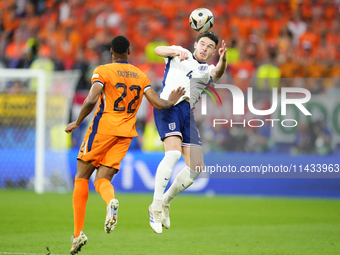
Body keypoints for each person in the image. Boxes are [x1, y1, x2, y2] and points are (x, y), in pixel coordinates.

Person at [65, 35, 185, 254]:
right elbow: (158, 104)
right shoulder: (141, 76)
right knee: (103, 179)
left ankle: (77, 234)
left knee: (82, 176)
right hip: (125, 134)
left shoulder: (103, 70)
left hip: (103, 128)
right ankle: (110, 201)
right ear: (129, 52)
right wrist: (172, 100)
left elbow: (92, 99)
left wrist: (77, 121)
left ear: (112, 51)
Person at [149, 31, 227, 234]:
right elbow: (157, 50)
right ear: (195, 44)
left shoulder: (206, 68)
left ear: (212, 53)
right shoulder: (179, 52)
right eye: (202, 44)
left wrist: (223, 59)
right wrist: (174, 50)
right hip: (168, 105)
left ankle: (166, 201)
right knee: (173, 154)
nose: (205, 48)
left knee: (197, 167)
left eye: (210, 47)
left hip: (186, 113)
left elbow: (217, 73)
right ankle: (155, 207)